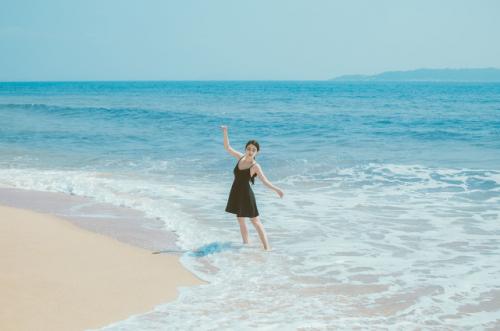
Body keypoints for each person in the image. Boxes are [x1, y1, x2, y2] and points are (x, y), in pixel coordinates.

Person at [221, 125, 284, 251]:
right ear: (245, 149)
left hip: (246, 195)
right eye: (248, 148)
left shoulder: (255, 166)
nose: (250, 151)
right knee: (240, 220)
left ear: (257, 152)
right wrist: (225, 131)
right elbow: (227, 148)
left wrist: (277, 190)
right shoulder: (240, 158)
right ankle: (246, 244)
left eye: (253, 150)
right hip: (236, 193)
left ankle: (267, 248)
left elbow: (265, 181)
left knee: (255, 221)